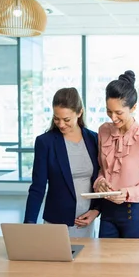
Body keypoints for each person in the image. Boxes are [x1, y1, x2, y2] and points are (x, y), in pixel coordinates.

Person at [23, 87, 101, 237]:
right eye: (56, 118)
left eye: (66, 119)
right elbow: (37, 187)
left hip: (86, 222)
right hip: (56, 223)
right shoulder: (45, 142)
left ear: (79, 113)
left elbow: (100, 180)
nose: (61, 124)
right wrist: (29, 224)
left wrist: (96, 211)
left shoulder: (94, 139)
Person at [93, 70, 139, 238]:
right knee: (105, 262)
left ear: (133, 108)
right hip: (107, 213)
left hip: (132, 214)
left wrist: (127, 193)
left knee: (133, 263)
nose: (113, 117)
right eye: (109, 111)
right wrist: (100, 181)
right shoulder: (103, 131)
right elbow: (102, 168)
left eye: (119, 113)